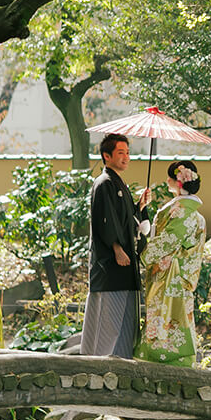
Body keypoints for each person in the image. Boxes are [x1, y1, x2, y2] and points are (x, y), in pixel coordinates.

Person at [82, 133, 151, 357]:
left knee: (124, 321)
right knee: (108, 321)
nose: (126, 157)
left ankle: (121, 364)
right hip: (111, 265)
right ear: (106, 155)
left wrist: (139, 206)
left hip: (123, 267)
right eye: (120, 153)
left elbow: (126, 221)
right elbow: (105, 220)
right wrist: (116, 248)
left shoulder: (118, 183)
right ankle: (101, 365)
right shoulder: (104, 183)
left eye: (128, 153)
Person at [134, 160, 207, 366]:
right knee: (172, 316)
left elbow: (170, 240)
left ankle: (166, 359)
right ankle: (170, 357)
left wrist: (143, 255)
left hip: (170, 275)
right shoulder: (186, 210)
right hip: (177, 274)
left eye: (170, 177)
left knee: (167, 316)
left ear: (179, 182)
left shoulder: (183, 211)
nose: (167, 180)